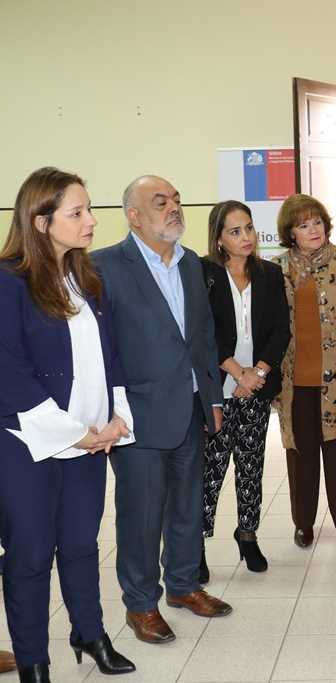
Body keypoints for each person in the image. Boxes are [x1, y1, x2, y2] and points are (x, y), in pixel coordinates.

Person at [0, 168, 135, 682]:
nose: (90, 221)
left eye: (88, 209)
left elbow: (110, 359)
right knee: (31, 555)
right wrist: (75, 432)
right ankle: (33, 661)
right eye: (76, 213)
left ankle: (90, 633)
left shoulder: (88, 279)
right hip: (27, 445)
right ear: (40, 221)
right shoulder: (8, 282)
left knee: (81, 544)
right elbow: (8, 371)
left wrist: (118, 419)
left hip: (90, 440)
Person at [92, 175, 232, 646]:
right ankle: (141, 603)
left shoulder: (192, 263)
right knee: (142, 512)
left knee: (188, 504)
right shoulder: (104, 267)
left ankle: (184, 585)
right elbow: (99, 350)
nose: (173, 207)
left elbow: (203, 335)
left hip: (191, 406)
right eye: (160, 202)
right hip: (137, 415)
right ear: (133, 215)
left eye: (175, 199)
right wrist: (111, 411)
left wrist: (212, 396)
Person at [198, 201, 290, 581]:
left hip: (257, 388)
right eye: (235, 231)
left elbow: (280, 330)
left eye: (249, 228)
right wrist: (237, 373)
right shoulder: (204, 274)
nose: (246, 237)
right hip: (218, 389)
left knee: (251, 466)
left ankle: (247, 534)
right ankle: (195, 545)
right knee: (210, 471)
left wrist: (258, 374)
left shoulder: (270, 273)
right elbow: (202, 332)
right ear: (219, 239)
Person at [272, 194, 336, 549]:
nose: (313, 230)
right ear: (290, 232)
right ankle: (303, 523)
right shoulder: (277, 268)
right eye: (303, 225)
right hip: (294, 380)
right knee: (300, 455)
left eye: (317, 222)